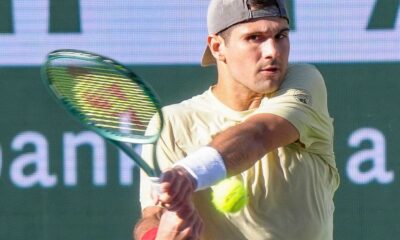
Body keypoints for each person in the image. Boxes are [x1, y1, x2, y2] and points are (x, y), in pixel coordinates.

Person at [133, 0, 340, 239]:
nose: (273, 51)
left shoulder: (305, 81)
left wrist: (189, 173)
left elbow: (258, 135)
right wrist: (161, 235)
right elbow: (153, 215)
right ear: (217, 46)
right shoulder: (171, 124)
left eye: (281, 35)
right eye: (255, 38)